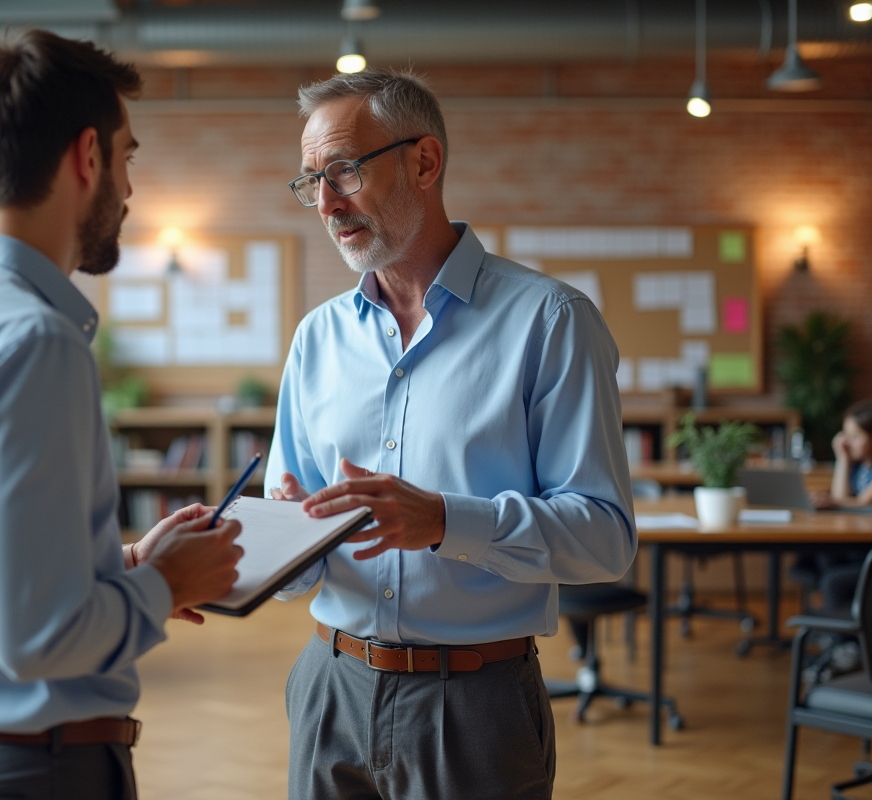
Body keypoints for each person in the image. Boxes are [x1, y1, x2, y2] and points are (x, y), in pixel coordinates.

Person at [0, 31, 242, 800]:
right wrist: (164, 587)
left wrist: (120, 567)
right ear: (87, 157)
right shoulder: (36, 341)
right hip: (36, 771)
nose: (131, 189)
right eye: (129, 157)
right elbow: (38, 637)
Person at [266, 69, 637, 800]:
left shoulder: (550, 322)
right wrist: (283, 537)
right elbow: (296, 548)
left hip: (473, 705)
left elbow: (605, 538)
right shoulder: (317, 338)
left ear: (424, 162)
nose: (327, 204)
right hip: (326, 690)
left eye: (344, 171)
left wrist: (443, 521)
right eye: (311, 182)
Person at [805, 399, 872, 611]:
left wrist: (831, 501)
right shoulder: (860, 467)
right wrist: (843, 459)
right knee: (818, 558)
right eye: (845, 435)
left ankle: (845, 639)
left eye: (855, 437)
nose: (846, 442)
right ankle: (836, 628)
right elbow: (841, 496)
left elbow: (863, 502)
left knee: (832, 578)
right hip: (857, 541)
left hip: (866, 546)